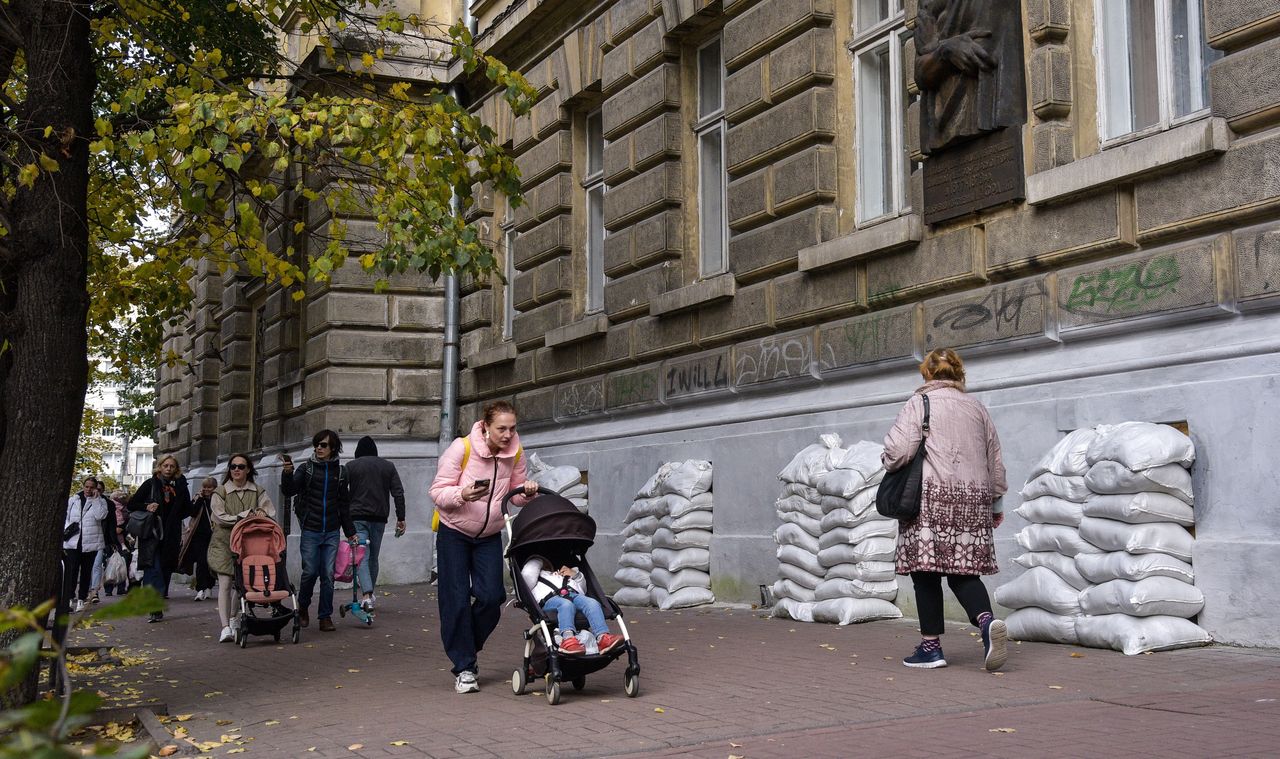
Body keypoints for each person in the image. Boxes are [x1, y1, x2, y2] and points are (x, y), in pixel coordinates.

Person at [882, 348, 1008, 671]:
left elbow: (897, 451)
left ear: (927, 374)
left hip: (931, 498)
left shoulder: (919, 403)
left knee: (925, 573)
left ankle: (931, 648)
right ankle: (986, 623)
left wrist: (886, 460)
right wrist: (995, 503)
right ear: (958, 374)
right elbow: (994, 459)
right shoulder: (977, 408)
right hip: (973, 500)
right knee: (963, 571)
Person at [429, 401, 538, 694]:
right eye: (502, 428)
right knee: (456, 598)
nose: (508, 434)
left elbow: (514, 497)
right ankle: (465, 667)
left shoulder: (515, 452)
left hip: (489, 533)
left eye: (512, 428)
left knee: (492, 596)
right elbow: (437, 492)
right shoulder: (461, 448)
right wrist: (462, 494)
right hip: (454, 532)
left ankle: (466, 644)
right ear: (486, 426)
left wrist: (526, 491)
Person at [281, 430, 357, 633]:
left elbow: (343, 504)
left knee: (328, 575)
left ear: (333, 448)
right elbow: (289, 491)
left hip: (332, 530)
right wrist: (287, 474)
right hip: (311, 530)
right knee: (310, 572)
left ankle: (325, 616)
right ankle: (303, 606)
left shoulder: (341, 473)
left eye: (323, 445)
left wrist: (350, 532)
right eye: (317, 445)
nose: (319, 448)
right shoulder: (306, 469)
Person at [209, 454, 276, 643]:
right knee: (225, 583)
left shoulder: (257, 491)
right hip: (223, 542)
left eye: (240, 466)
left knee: (241, 585)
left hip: (247, 543)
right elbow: (220, 516)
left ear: (248, 469)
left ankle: (233, 618)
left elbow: (269, 512)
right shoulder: (220, 492)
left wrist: (261, 513)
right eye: (233, 466)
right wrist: (247, 514)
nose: (236, 470)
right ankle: (225, 627)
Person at [128, 455, 195, 621]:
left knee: (165, 568)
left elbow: (187, 509)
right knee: (153, 567)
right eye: (165, 465)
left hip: (171, 533)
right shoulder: (150, 484)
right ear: (160, 467)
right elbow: (132, 504)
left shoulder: (180, 485)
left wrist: (195, 503)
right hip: (152, 533)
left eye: (172, 466)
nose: (168, 469)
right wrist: (147, 506)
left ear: (176, 469)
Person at [346, 436, 407, 612]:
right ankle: (369, 596)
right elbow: (398, 493)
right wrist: (400, 517)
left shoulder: (351, 466)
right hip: (379, 518)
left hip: (357, 517)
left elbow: (341, 493)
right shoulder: (388, 466)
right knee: (373, 557)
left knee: (362, 556)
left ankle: (366, 594)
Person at [520, 557, 622, 655]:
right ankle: (568, 639)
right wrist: (539, 559)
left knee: (592, 602)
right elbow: (528, 573)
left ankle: (602, 637)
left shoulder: (561, 575)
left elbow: (582, 590)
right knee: (566, 605)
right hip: (550, 600)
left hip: (572, 594)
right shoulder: (534, 581)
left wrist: (575, 575)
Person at [63, 477, 110, 612]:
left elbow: (100, 516)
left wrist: (95, 500)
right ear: (83, 486)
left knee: (86, 571)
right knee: (71, 571)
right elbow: (66, 517)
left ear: (96, 488)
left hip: (91, 542)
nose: (88, 490)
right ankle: (69, 597)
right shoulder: (74, 500)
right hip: (73, 541)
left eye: (92, 487)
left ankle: (82, 598)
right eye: (87, 487)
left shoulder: (101, 501)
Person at [179, 477, 218, 602]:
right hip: (199, 535)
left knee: (211, 562)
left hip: (214, 535)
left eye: (209, 487)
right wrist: (200, 499)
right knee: (201, 562)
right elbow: (193, 512)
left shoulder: (218, 499)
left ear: (214, 488)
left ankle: (209, 586)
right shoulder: (198, 498)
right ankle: (200, 589)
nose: (206, 489)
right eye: (205, 487)